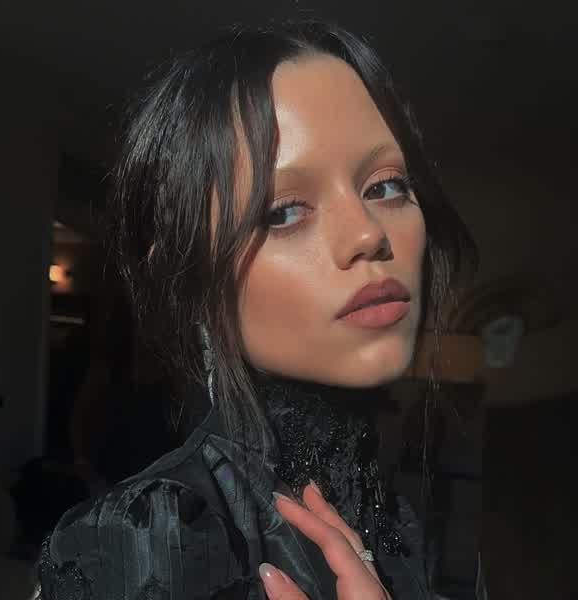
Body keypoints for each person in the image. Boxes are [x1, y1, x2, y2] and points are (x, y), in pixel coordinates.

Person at [35, 19, 479, 600]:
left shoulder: (402, 517)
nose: (368, 234)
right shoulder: (151, 534)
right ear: (187, 276)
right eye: (284, 211)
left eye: (386, 186)